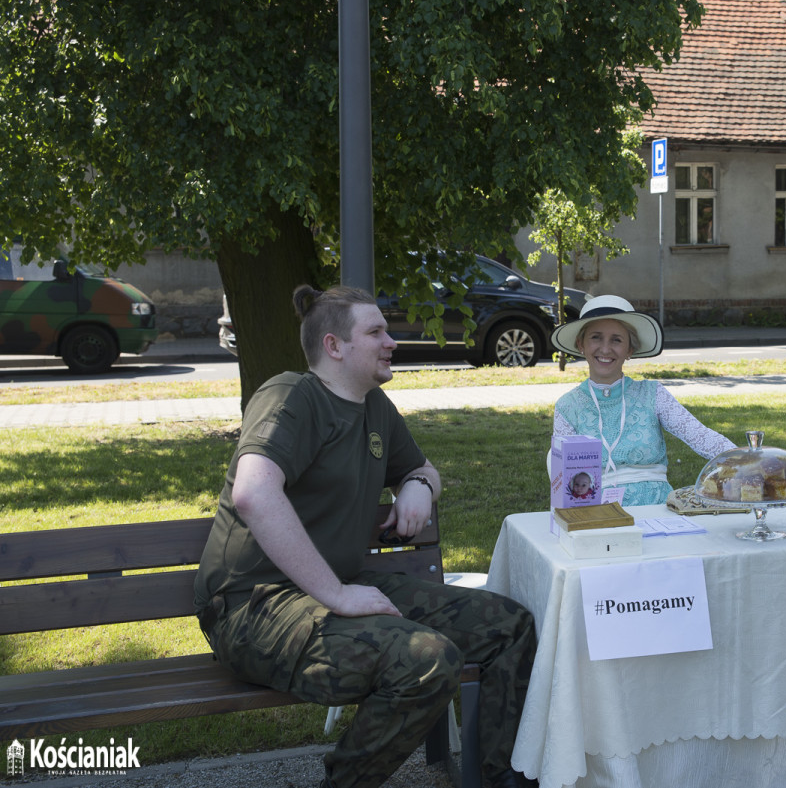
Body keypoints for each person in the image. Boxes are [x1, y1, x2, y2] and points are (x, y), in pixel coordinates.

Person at [194, 285, 538, 788]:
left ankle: (498, 776)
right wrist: (337, 595)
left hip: (339, 587)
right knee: (427, 661)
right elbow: (254, 493)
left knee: (508, 625)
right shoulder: (291, 395)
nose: (391, 341)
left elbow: (422, 469)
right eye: (376, 332)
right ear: (334, 346)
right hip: (253, 608)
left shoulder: (374, 407)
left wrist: (419, 486)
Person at [551, 295, 736, 506]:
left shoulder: (653, 393)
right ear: (580, 344)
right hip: (595, 512)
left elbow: (700, 436)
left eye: (616, 340)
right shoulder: (567, 406)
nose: (605, 348)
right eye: (595, 337)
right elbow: (563, 474)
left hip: (656, 507)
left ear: (630, 350)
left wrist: (747, 462)